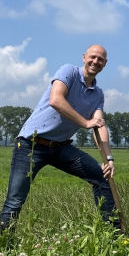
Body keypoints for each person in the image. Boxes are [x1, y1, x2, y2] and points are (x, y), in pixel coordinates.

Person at [0, 45, 120, 232]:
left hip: (60, 148)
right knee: (15, 199)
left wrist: (109, 158)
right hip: (30, 144)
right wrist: (85, 122)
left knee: (101, 176)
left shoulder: (98, 93)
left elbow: (99, 124)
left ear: (105, 64)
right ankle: (3, 240)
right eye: (93, 57)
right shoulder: (68, 72)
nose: (95, 62)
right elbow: (56, 100)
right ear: (84, 57)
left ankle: (114, 235)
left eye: (100, 59)